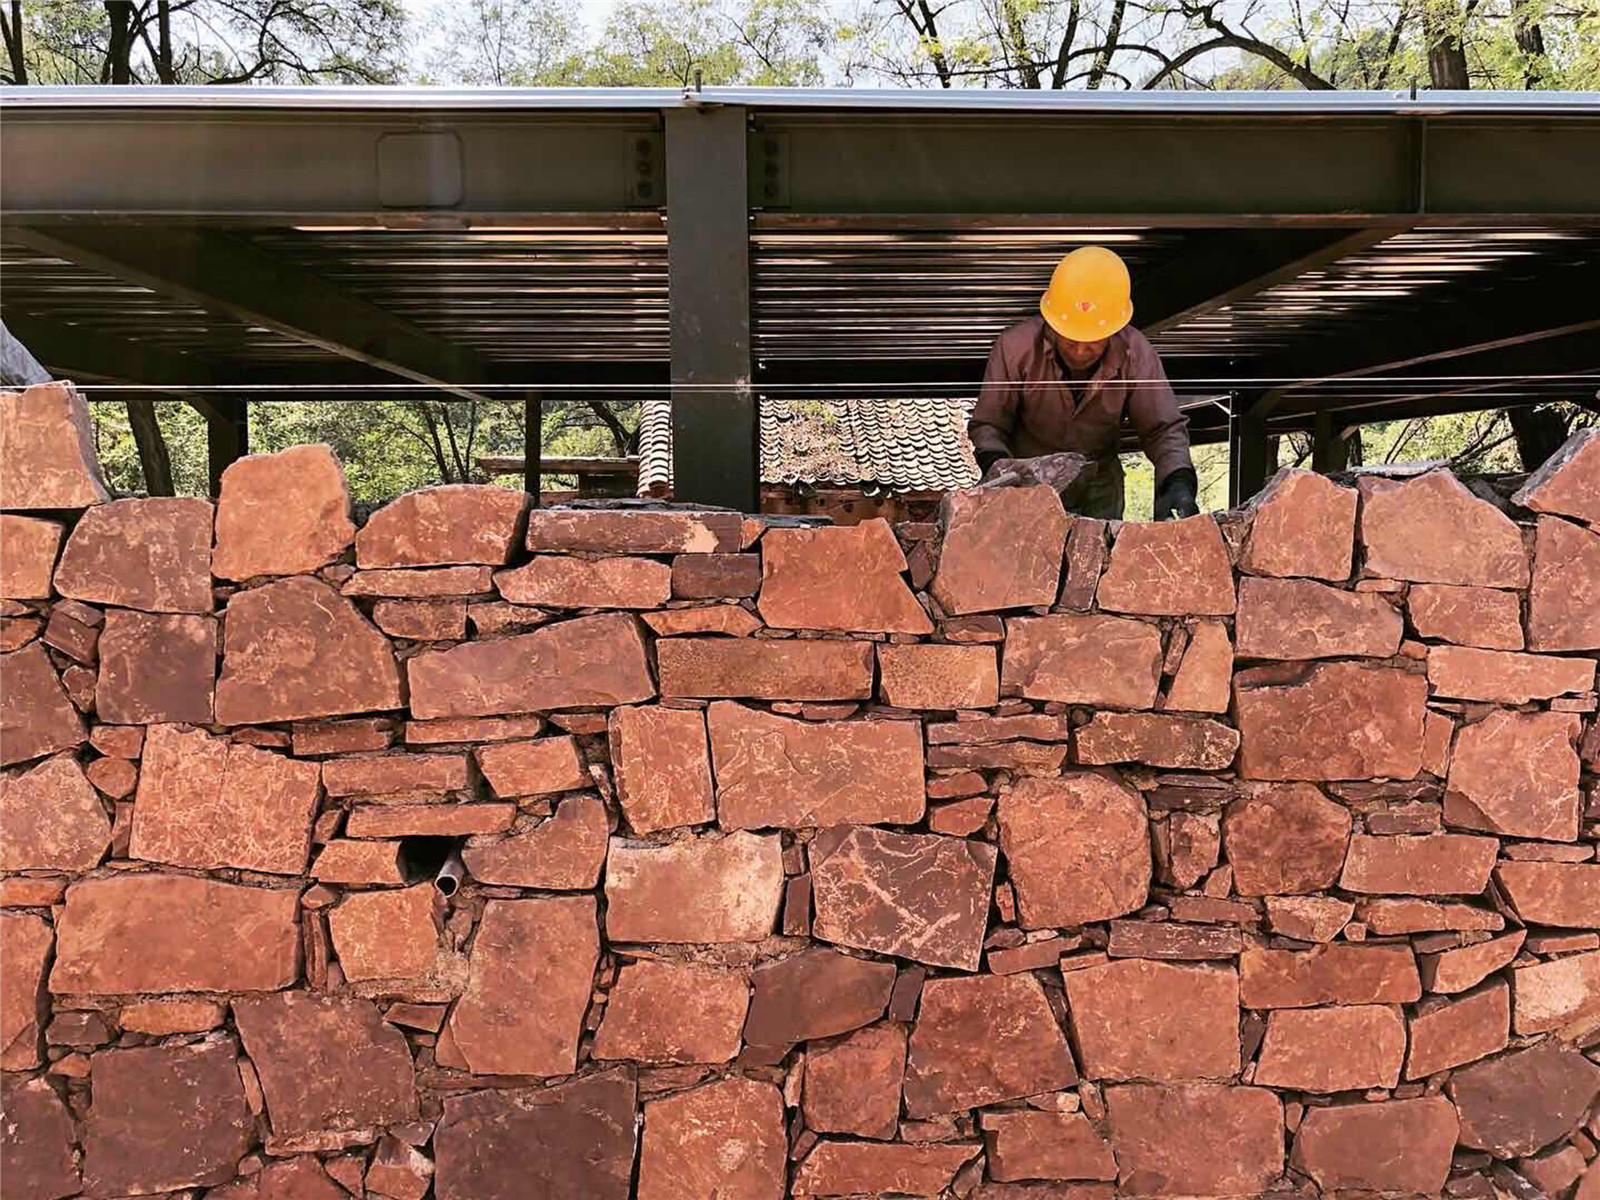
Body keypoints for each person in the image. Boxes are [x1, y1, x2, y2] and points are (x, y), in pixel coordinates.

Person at [969, 245, 1200, 521]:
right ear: (1052, 322)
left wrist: (1177, 480)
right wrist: (1001, 473)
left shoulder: (1136, 353)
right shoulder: (1014, 348)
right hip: (1027, 487)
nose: (1080, 351)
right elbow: (989, 425)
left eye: (1092, 342)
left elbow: (1162, 429)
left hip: (1100, 486)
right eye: (1070, 339)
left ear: (1114, 330)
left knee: (1100, 548)